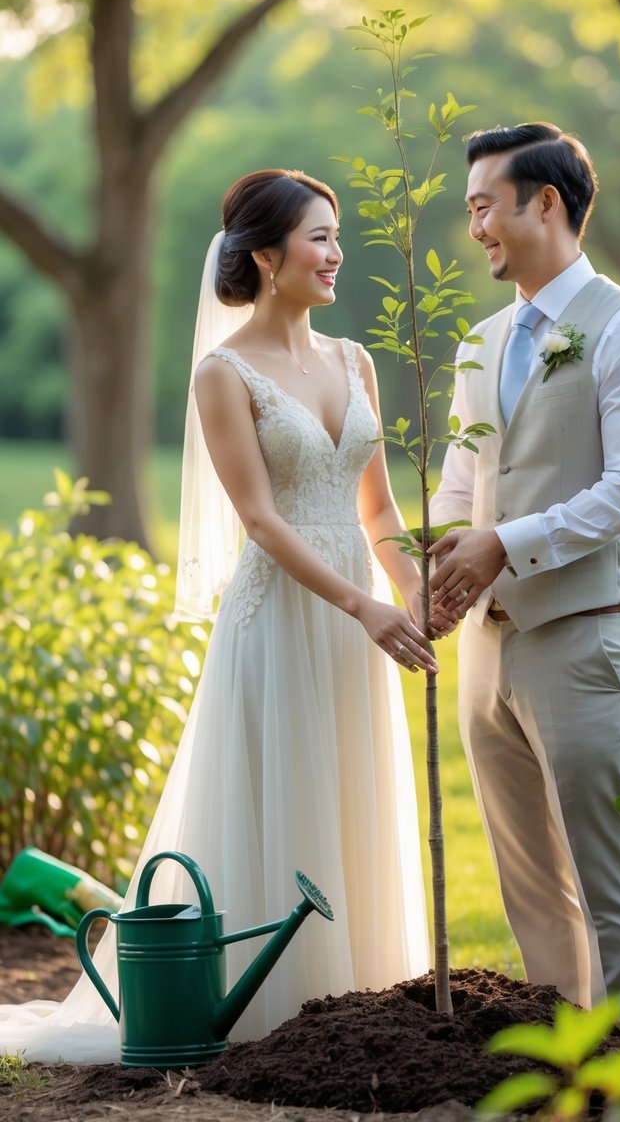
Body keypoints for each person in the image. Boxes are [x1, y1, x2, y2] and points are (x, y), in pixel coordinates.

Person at [0, 168, 433, 1063]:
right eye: (319, 236)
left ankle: (362, 1000)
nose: (335, 253)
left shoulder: (355, 360)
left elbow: (379, 511)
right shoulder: (222, 372)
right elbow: (261, 520)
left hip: (360, 617)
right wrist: (363, 606)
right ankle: (276, 1011)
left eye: (337, 235)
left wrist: (413, 594)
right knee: (285, 791)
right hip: (285, 616)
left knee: (352, 787)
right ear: (267, 256)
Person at [428, 124, 620, 1036]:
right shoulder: (479, 340)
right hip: (487, 646)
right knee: (528, 881)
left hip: (586, 637)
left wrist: (506, 542)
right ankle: (568, 1055)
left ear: (546, 202)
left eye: (485, 206)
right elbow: (464, 482)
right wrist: (446, 566)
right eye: (470, 211)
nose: (476, 228)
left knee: (606, 877)